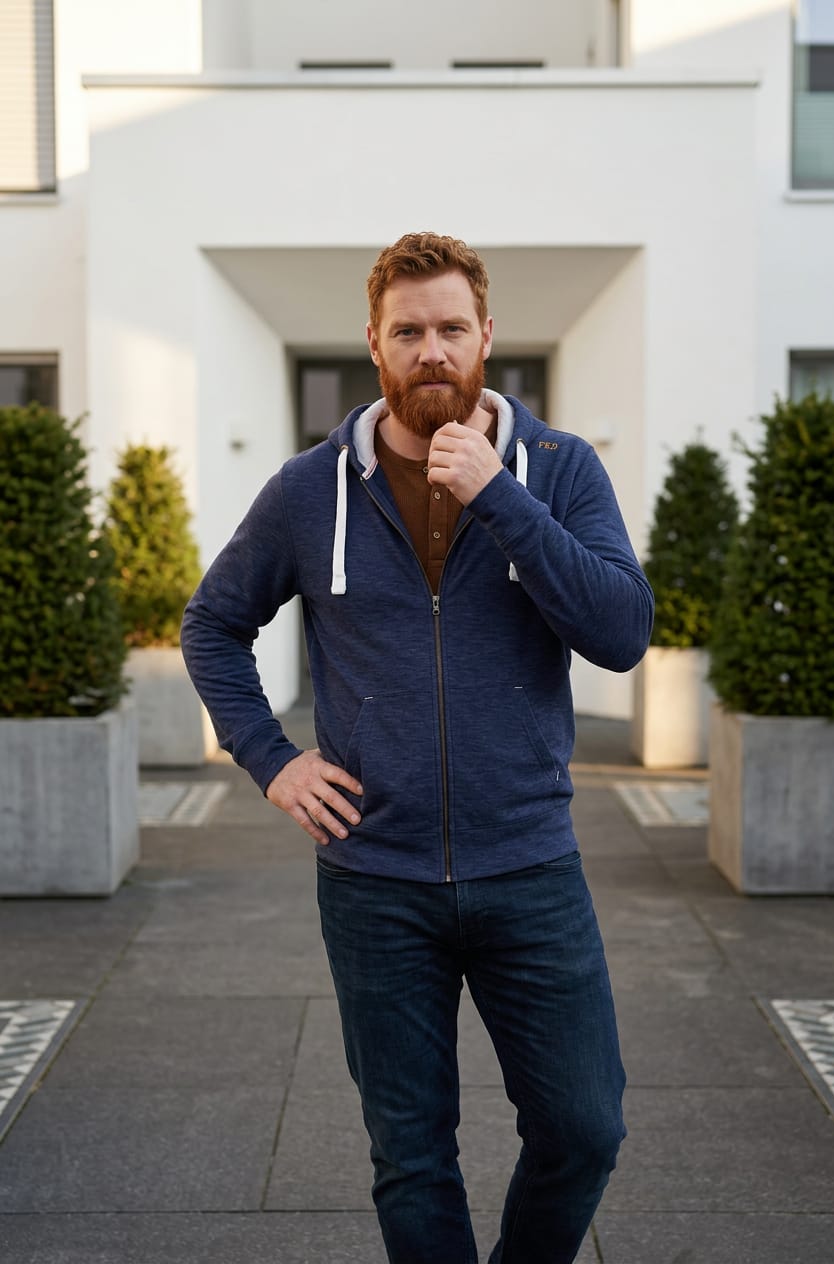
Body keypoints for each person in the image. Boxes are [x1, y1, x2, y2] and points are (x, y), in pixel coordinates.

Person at [181, 231, 654, 1264]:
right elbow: (211, 623)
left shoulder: (559, 470)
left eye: (450, 328)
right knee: (410, 1155)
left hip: (529, 867)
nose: (430, 349)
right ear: (374, 343)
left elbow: (621, 632)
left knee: (584, 1129)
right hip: (375, 881)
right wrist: (271, 759)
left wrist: (500, 496)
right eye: (408, 332)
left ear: (486, 336)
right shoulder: (308, 488)